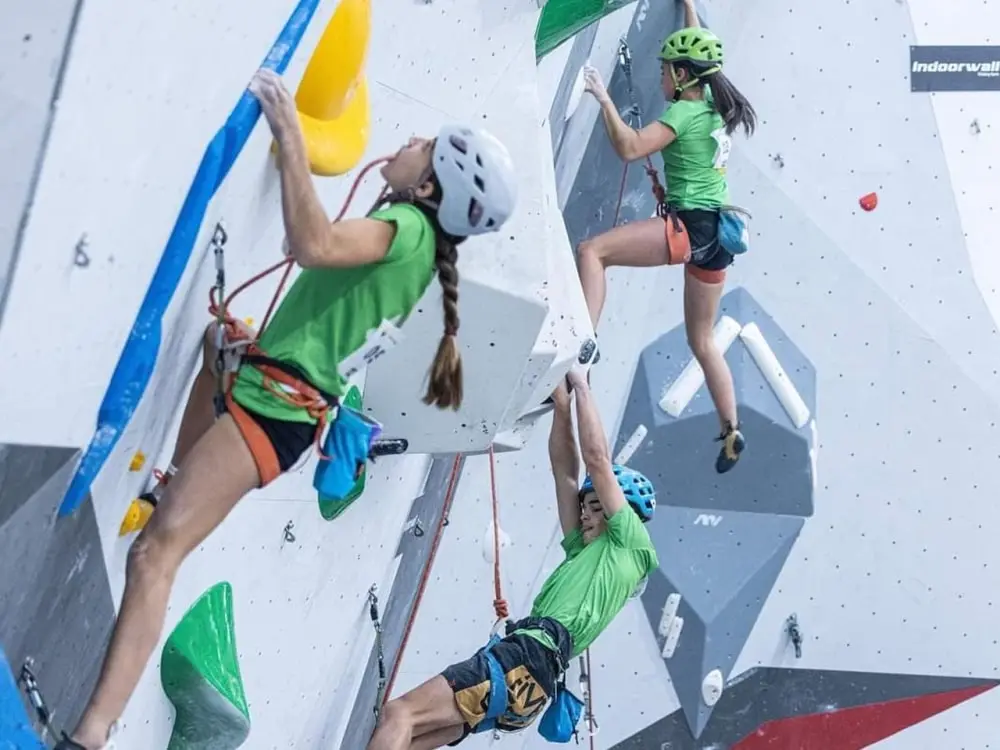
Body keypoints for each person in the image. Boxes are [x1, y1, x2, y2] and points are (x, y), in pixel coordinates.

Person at [56, 68, 518, 750]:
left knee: (156, 557)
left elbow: (315, 246)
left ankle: (89, 737)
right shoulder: (420, 242)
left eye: (429, 145)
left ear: (427, 187)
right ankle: (168, 489)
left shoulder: (409, 229)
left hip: (276, 409)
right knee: (219, 342)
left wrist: (289, 133)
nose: (413, 137)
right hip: (278, 395)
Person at [367, 369, 659, 750]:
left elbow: (597, 460)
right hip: (533, 678)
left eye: (593, 508)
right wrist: (561, 406)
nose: (582, 515)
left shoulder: (630, 544)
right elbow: (566, 476)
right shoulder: (588, 553)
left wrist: (582, 385)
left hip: (527, 655)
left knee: (400, 715)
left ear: (620, 512)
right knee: (409, 738)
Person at [576, 0, 758, 474]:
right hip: (719, 236)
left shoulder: (683, 115)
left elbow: (630, 148)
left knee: (593, 251)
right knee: (702, 339)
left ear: (682, 77)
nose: (660, 78)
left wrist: (602, 96)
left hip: (690, 227)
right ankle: (731, 428)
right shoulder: (717, 105)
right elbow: (702, 54)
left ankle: (582, 342)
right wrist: (690, 9)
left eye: (664, 71)